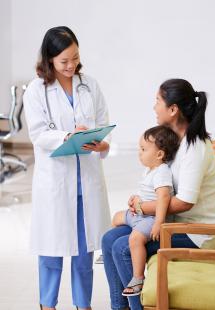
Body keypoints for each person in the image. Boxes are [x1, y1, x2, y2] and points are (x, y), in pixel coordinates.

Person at [102, 78, 215, 310]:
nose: (154, 107)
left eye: (158, 101)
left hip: (197, 233)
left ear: (173, 109)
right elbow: (160, 183)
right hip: (173, 223)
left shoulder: (193, 147)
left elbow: (185, 202)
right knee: (109, 239)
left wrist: (141, 207)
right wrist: (142, 202)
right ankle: (118, 307)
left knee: (123, 248)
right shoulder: (173, 140)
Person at [23, 26, 111, 310]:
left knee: (85, 252)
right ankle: (47, 305)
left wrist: (102, 143)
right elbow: (38, 133)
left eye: (75, 58)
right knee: (51, 251)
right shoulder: (36, 90)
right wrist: (66, 136)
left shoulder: (90, 85)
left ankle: (82, 305)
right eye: (64, 61)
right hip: (56, 181)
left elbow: (102, 123)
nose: (71, 65)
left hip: (86, 179)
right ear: (49, 59)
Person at [112, 125, 179, 297]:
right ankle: (110, 256)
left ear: (159, 154)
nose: (139, 153)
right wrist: (135, 198)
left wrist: (159, 223)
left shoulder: (162, 172)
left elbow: (163, 198)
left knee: (135, 239)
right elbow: (146, 193)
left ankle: (138, 278)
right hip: (139, 214)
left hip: (151, 218)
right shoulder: (150, 170)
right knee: (116, 217)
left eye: (143, 149)